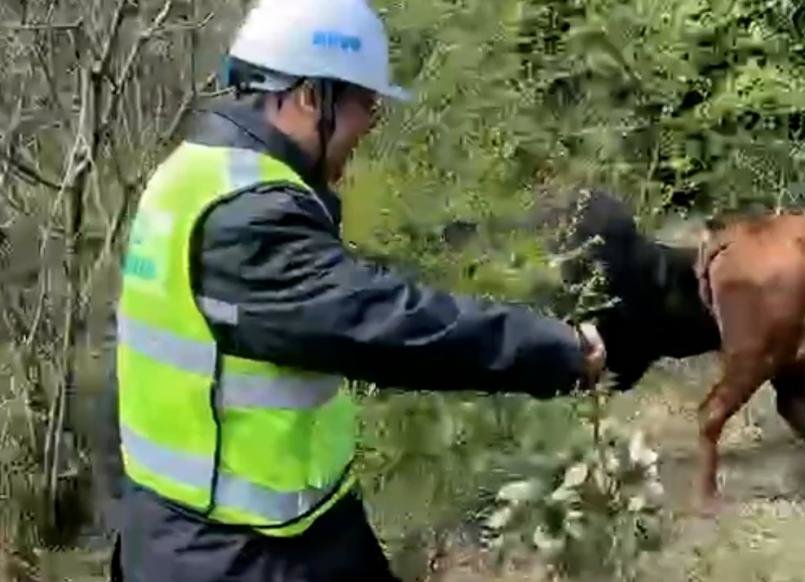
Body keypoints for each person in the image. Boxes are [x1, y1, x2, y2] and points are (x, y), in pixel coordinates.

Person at [101, 0, 607, 580]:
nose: (371, 122)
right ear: (311, 96)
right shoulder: (247, 218)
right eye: (366, 102)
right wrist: (553, 350)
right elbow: (381, 321)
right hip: (241, 553)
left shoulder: (194, 174)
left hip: (222, 530)